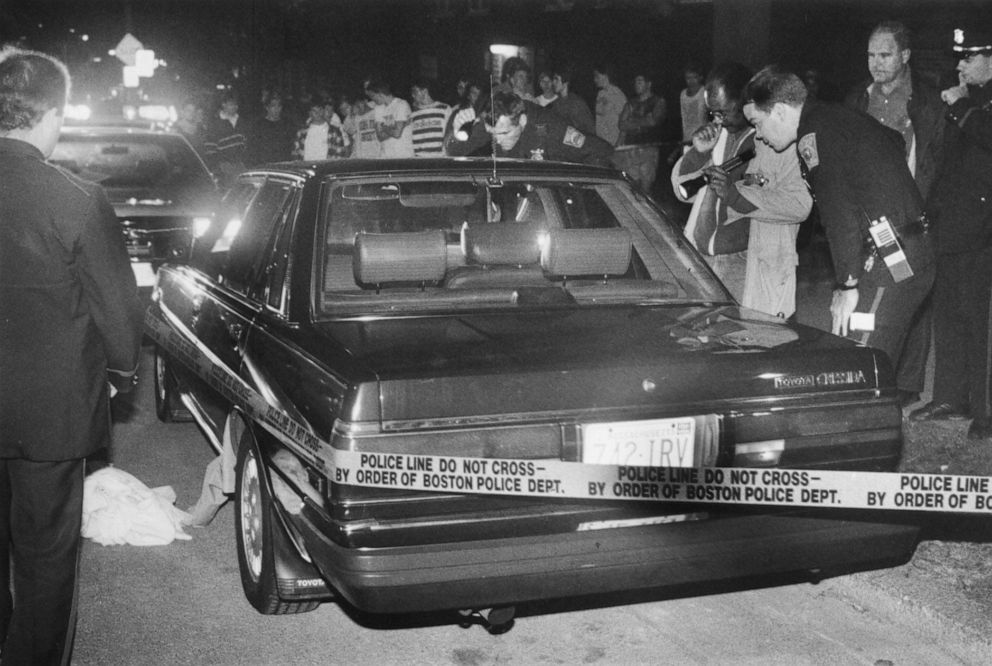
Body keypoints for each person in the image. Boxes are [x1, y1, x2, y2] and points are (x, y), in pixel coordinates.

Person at [0, 47, 143, 664]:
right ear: (51, 114)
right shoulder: (76, 197)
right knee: (45, 557)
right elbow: (118, 308)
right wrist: (120, 371)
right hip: (49, 415)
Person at [743, 65, 935, 400]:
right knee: (869, 357)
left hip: (891, 256)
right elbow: (892, 141)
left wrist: (847, 284)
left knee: (860, 362)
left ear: (780, 111)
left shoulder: (812, 136)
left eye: (757, 123)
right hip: (909, 246)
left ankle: (862, 438)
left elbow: (839, 214)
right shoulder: (838, 117)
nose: (758, 134)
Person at [846, 20, 945, 409]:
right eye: (871, 54)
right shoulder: (858, 98)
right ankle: (867, 370)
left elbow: (936, 159)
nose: (876, 62)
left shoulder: (925, 100)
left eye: (885, 54)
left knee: (909, 295)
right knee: (866, 294)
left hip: (908, 217)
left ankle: (907, 383)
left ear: (904, 56)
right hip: (865, 214)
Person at [909, 28, 992, 439]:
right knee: (950, 317)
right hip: (953, 227)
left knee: (983, 323)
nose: (959, 65)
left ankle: (987, 409)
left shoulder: (972, 104)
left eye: (969, 57)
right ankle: (950, 397)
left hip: (985, 233)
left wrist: (963, 108)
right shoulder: (967, 101)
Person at [671, 62, 758, 301]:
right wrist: (698, 152)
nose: (717, 119)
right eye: (713, 112)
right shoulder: (718, 135)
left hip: (740, 260)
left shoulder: (765, 141)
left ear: (746, 102)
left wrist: (712, 244)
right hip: (707, 258)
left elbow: (760, 211)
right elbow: (681, 191)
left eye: (724, 111)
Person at [446, 90, 613, 166]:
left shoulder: (551, 129)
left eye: (504, 134)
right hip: (515, 188)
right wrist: (456, 131)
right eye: (493, 134)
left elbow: (600, 150)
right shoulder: (495, 123)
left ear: (523, 121)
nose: (497, 139)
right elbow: (454, 152)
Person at [616, 71, 668, 191]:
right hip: (631, 150)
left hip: (648, 150)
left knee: (645, 189)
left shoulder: (658, 101)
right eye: (635, 82)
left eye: (639, 81)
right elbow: (621, 125)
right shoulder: (631, 103)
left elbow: (654, 121)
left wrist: (631, 121)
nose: (636, 84)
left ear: (648, 84)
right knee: (630, 187)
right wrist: (642, 121)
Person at [204, 91, 247, 187]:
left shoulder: (241, 121)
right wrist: (219, 169)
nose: (235, 107)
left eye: (236, 104)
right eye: (232, 104)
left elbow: (246, 144)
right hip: (224, 167)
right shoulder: (214, 124)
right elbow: (210, 150)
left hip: (240, 166)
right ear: (223, 105)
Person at [364, 76, 414, 158]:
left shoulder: (401, 104)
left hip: (403, 154)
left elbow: (397, 134)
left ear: (380, 94)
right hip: (385, 155)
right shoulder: (378, 108)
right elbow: (380, 136)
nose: (372, 100)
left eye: (373, 96)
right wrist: (397, 127)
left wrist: (384, 128)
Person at [246, 92, 296, 166]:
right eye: (273, 106)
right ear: (267, 107)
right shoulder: (258, 125)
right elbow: (253, 148)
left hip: (284, 164)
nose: (276, 109)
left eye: (279, 106)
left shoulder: (287, 124)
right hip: (264, 165)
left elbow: (292, 145)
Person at [549, 62, 596, 136]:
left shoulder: (576, 103)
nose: (553, 82)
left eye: (556, 79)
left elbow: (589, 129)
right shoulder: (557, 103)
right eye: (553, 79)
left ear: (566, 82)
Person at [409, 78, 452, 157]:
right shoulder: (414, 114)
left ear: (425, 91)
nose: (412, 95)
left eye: (415, 92)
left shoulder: (444, 109)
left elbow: (450, 133)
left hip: (439, 158)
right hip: (420, 159)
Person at [593, 63, 627, 146]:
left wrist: (618, 144)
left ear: (605, 75)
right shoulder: (600, 94)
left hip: (614, 143)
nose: (595, 80)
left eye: (597, 76)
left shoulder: (617, 94)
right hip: (601, 143)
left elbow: (626, 122)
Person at [679, 61, 709, 144]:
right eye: (688, 78)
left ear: (700, 77)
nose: (691, 81)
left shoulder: (704, 91)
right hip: (687, 138)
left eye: (694, 77)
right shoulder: (683, 94)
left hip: (703, 137)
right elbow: (683, 118)